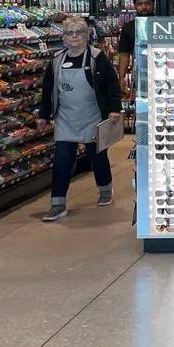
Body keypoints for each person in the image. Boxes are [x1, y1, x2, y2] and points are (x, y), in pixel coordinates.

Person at [37, 17, 122, 222]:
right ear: (63, 37)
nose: (74, 36)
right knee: (62, 161)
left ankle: (105, 190)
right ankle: (58, 204)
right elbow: (48, 89)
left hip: (92, 116)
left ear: (87, 36)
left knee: (98, 157)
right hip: (66, 118)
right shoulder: (56, 60)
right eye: (69, 32)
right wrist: (43, 115)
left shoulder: (96, 57)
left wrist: (113, 109)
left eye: (79, 32)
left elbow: (111, 85)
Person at [117, 0, 155, 96]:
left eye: (147, 3)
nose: (143, 7)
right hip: (139, 73)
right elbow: (124, 54)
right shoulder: (128, 28)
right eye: (140, 4)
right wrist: (122, 78)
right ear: (135, 6)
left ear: (153, 4)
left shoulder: (162, 24)